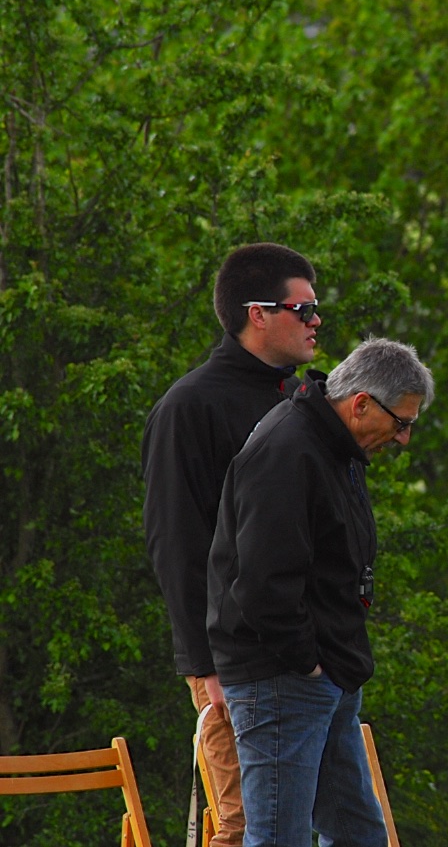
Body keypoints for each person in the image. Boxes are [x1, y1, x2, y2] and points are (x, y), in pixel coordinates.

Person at [206, 337, 433, 847]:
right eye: (401, 423)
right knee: (278, 837)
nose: (403, 438)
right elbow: (262, 583)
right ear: (361, 404)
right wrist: (306, 662)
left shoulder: (331, 445)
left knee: (359, 833)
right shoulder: (288, 449)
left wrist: (329, 665)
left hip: (328, 672)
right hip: (281, 678)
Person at [142, 241, 321, 846]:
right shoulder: (188, 407)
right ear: (257, 314)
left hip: (305, 650)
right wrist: (204, 665)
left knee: (314, 821)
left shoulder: (300, 403)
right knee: (247, 824)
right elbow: (175, 542)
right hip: (232, 661)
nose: (316, 321)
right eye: (303, 309)